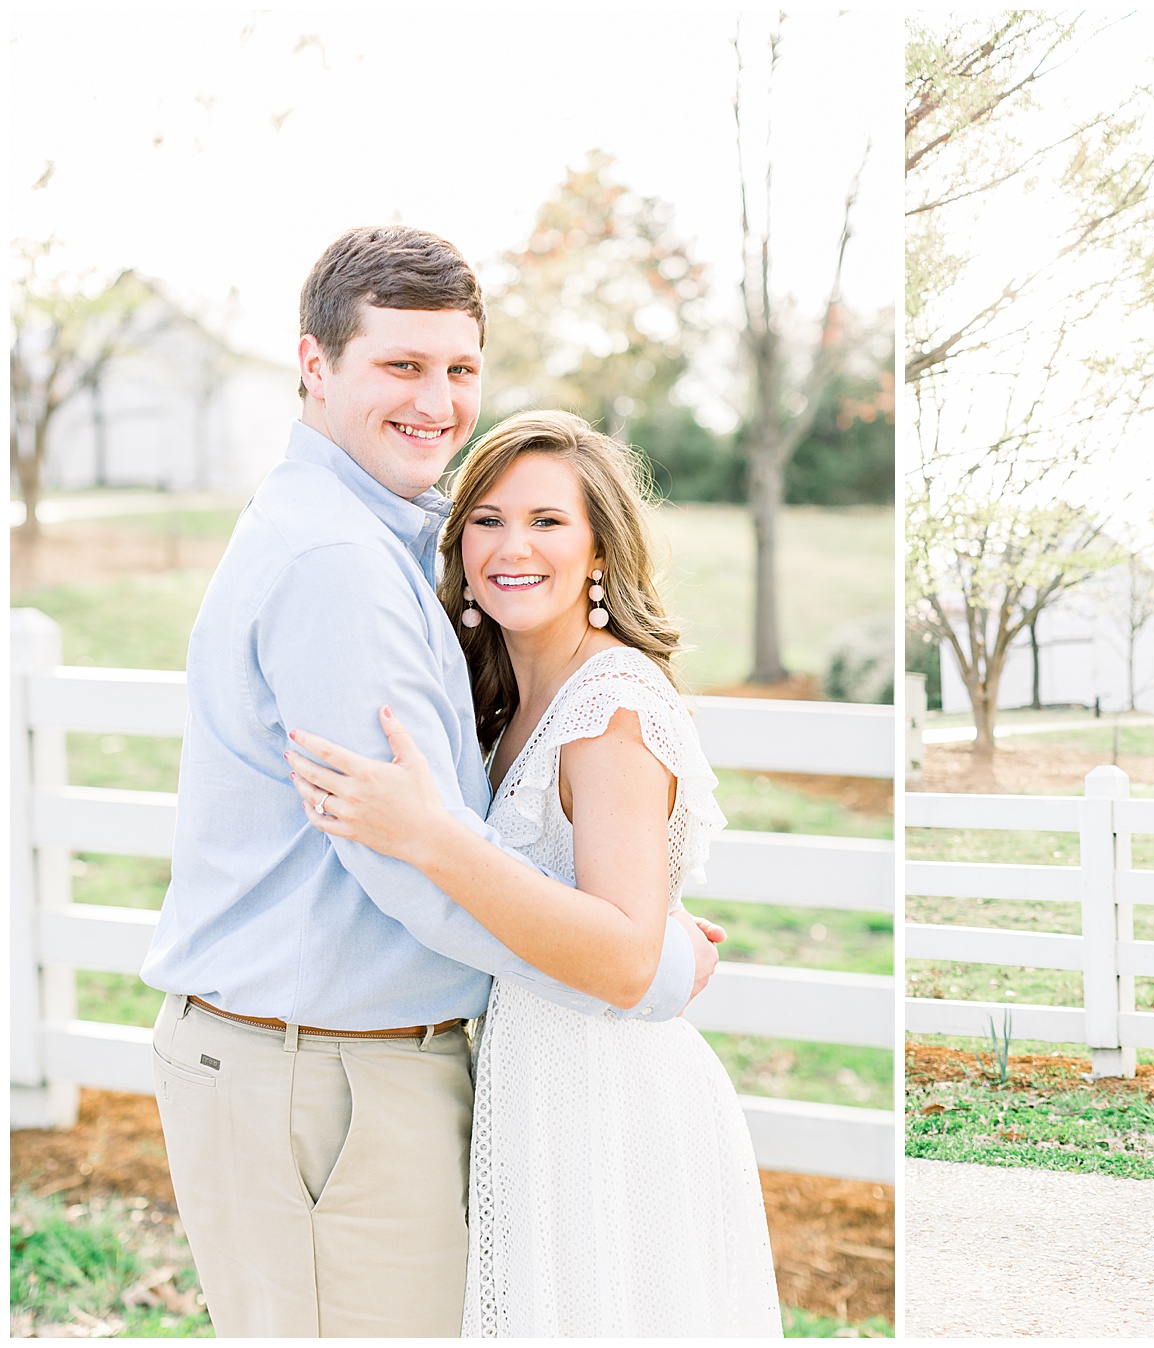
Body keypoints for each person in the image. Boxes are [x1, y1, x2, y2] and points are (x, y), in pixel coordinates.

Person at [140, 226, 723, 1337]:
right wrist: (641, 966)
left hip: (351, 1070)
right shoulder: (339, 565)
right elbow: (411, 869)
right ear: (314, 366)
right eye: (401, 365)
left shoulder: (378, 538)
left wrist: (624, 915)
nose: (438, 400)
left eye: (460, 368)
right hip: (318, 1081)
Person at [285, 410, 782, 1335]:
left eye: (548, 521)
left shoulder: (611, 708)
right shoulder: (502, 696)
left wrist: (433, 837)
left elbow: (628, 957)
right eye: (488, 519)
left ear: (599, 550)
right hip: (534, 1088)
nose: (513, 546)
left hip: (611, 1102)